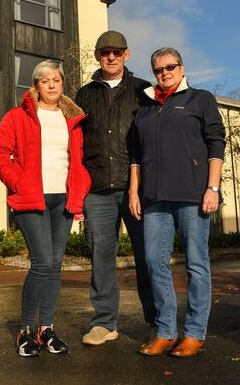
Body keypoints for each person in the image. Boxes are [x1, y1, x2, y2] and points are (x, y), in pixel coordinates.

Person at [0, 60, 91, 357]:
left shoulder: (72, 119)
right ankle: (26, 330)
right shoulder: (17, 117)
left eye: (56, 80)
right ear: (35, 86)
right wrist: (17, 181)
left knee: (56, 264)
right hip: (31, 198)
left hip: (63, 198)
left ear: (62, 85)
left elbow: (79, 161)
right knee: (43, 262)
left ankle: (46, 328)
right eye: (44, 80)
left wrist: (80, 192)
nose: (51, 85)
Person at [129, 47, 225, 358]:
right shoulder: (145, 108)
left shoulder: (201, 99)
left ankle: (195, 333)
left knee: (196, 265)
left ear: (182, 68)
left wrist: (213, 187)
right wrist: (134, 191)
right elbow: (135, 157)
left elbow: (216, 144)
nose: (164, 72)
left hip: (192, 196)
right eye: (158, 69)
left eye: (170, 67)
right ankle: (166, 331)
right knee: (154, 263)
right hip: (155, 199)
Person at [75, 30, 156, 345]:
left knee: (147, 256)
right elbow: (74, 141)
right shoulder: (84, 95)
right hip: (97, 189)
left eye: (117, 52)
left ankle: (156, 322)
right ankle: (104, 323)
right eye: (105, 52)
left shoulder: (143, 91)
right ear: (97, 55)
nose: (111, 57)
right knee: (101, 256)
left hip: (137, 187)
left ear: (127, 55)